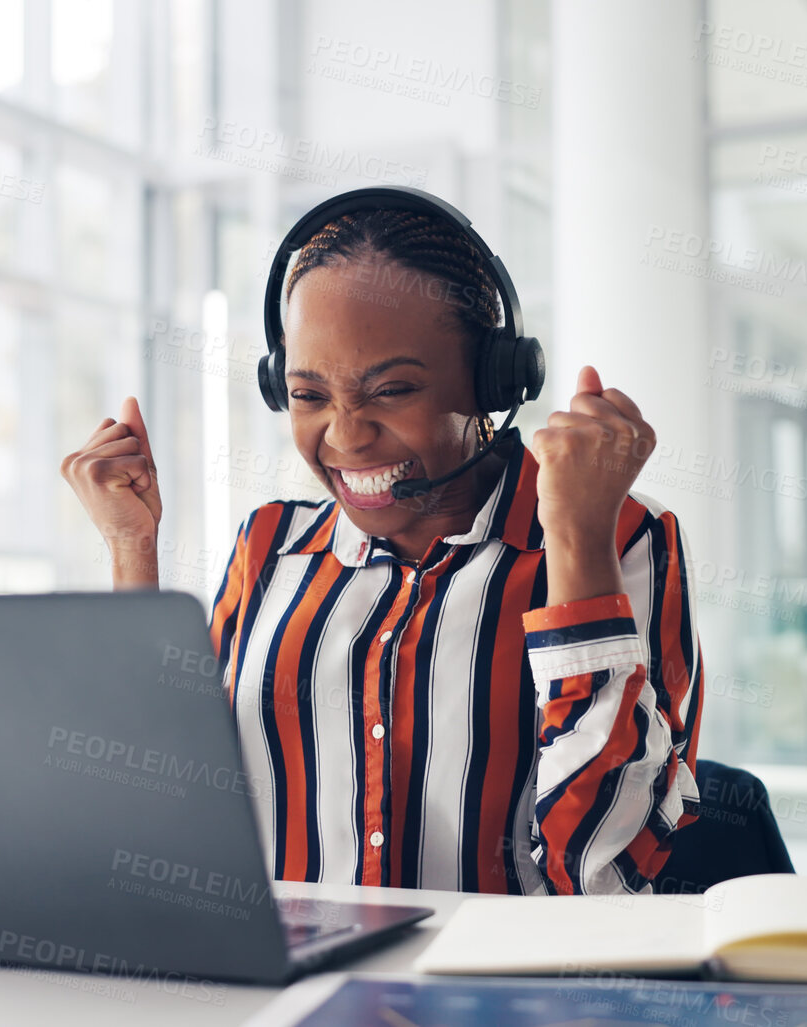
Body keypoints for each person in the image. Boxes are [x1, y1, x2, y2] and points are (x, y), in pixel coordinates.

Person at [62, 203, 701, 895]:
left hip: (498, 997)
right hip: (293, 993)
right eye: (308, 394)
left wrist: (576, 535)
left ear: (493, 382)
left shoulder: (619, 536)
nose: (344, 436)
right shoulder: (269, 546)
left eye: (391, 390)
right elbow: (159, 814)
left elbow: (603, 875)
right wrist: (132, 549)